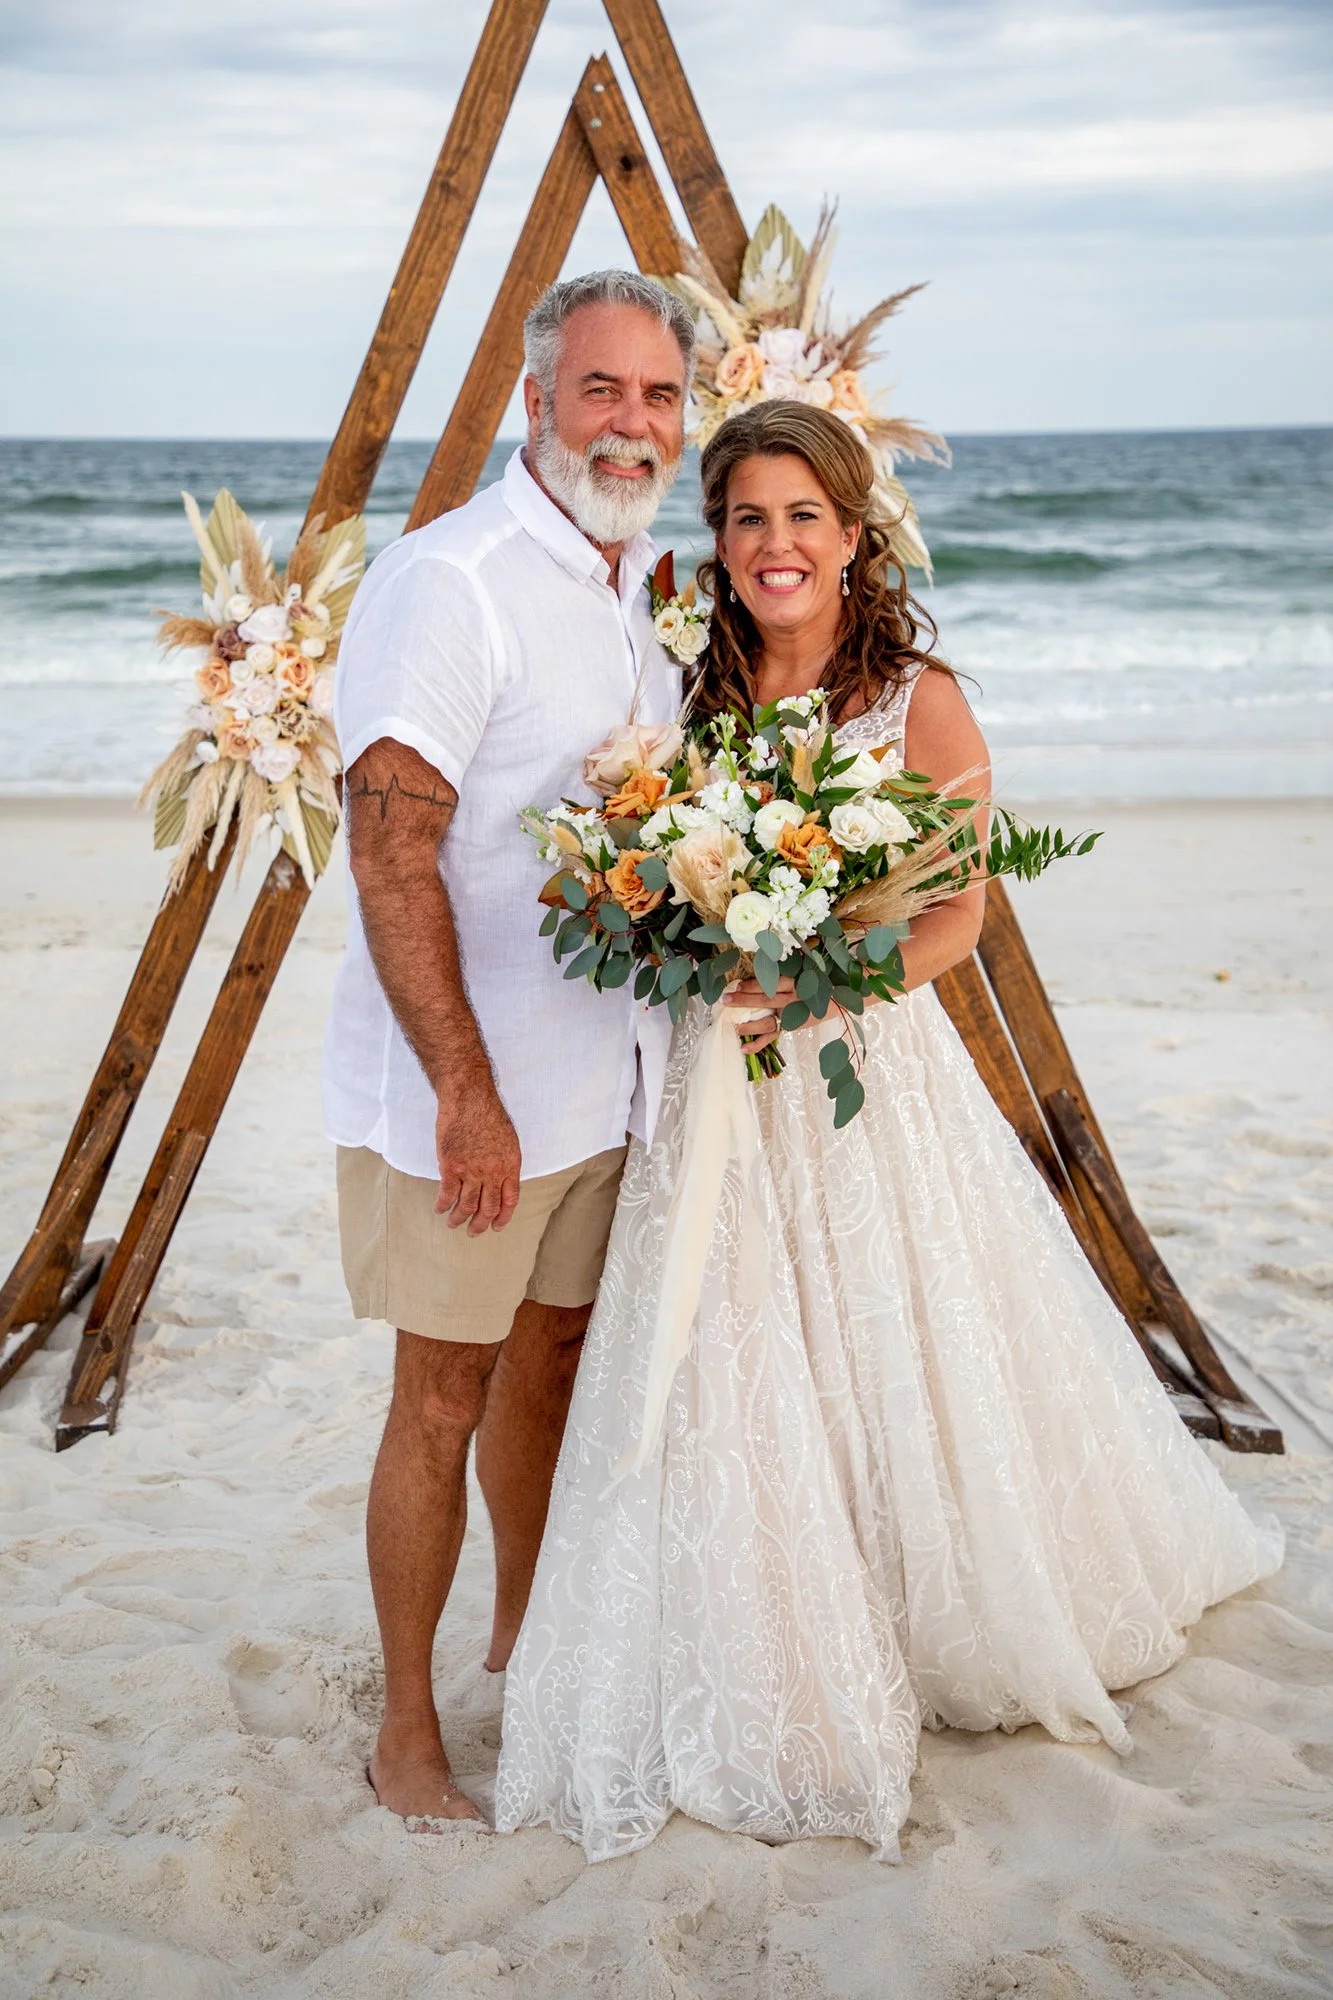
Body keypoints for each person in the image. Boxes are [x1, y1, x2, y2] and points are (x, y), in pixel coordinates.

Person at [494, 400, 1283, 1861]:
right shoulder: (691, 696)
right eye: (746, 519)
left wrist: (806, 982)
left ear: (855, 538)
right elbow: (645, 849)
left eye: (803, 517)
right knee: (738, 1358)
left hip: (858, 1074)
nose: (775, 545)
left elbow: (958, 917)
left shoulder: (917, 699)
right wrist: (671, 924)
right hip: (711, 1080)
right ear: (716, 543)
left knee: (899, 1337)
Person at [323, 269, 696, 1826]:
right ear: (535, 400)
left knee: (549, 1368)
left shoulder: (632, 584)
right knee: (442, 1395)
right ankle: (407, 1733)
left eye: (661, 396)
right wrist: (467, 1094)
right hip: (464, 1099)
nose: (632, 424)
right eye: (602, 390)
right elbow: (388, 848)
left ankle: (523, 1649)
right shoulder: (450, 580)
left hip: (601, 1083)